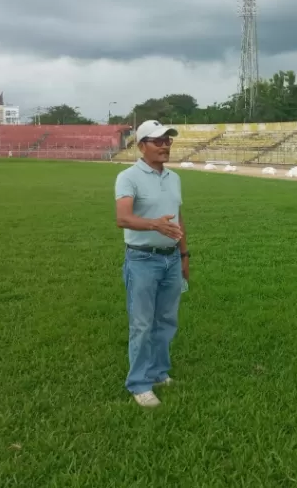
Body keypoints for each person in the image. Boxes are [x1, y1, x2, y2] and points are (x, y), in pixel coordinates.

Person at [114, 120, 191, 408]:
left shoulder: (173, 178)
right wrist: (153, 226)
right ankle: (139, 383)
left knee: (166, 321)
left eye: (168, 140)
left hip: (171, 259)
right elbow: (122, 218)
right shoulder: (128, 177)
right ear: (141, 145)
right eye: (158, 141)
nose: (165, 145)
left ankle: (159, 373)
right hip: (142, 260)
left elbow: (179, 219)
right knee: (142, 324)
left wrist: (184, 256)